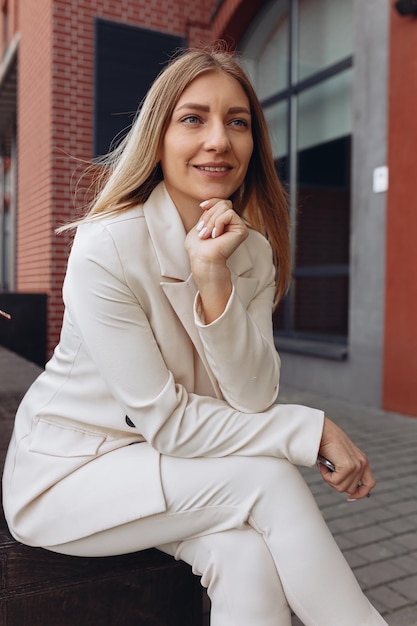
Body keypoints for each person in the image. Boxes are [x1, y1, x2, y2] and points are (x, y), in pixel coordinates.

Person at [2, 45, 387, 626]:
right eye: (193, 118)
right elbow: (170, 420)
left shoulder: (251, 252)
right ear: (158, 136)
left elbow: (251, 396)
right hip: (68, 474)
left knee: (246, 553)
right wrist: (312, 429)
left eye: (238, 122)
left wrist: (214, 279)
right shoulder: (107, 245)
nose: (219, 140)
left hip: (171, 463)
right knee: (268, 480)